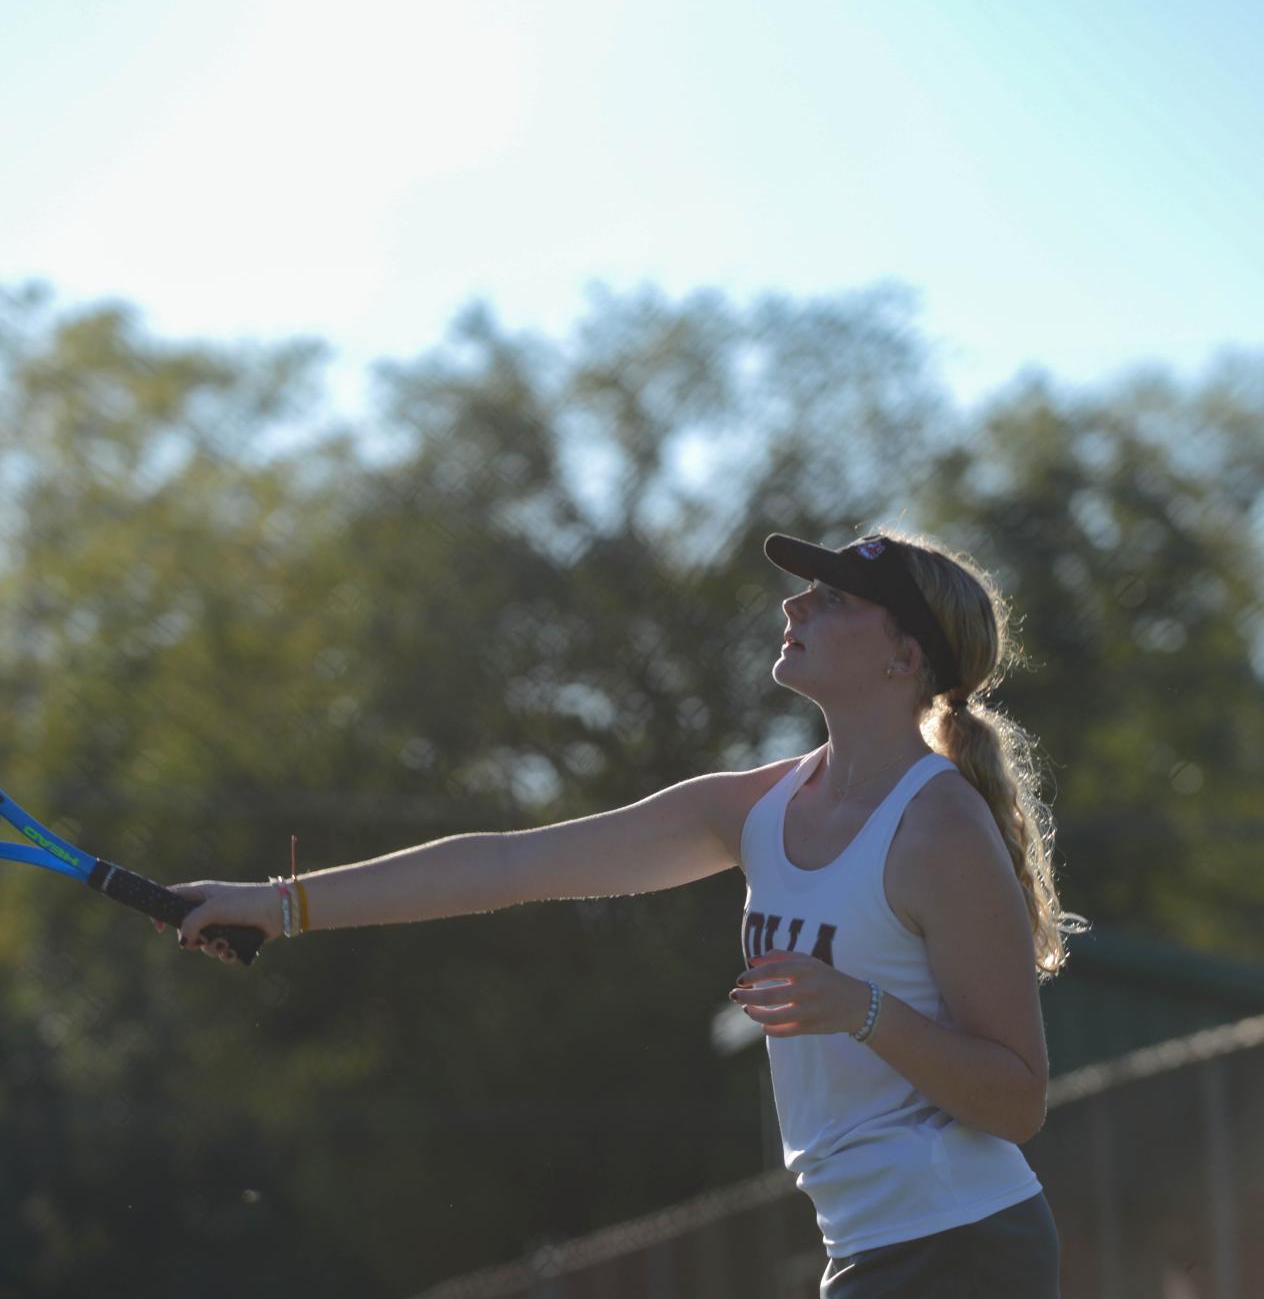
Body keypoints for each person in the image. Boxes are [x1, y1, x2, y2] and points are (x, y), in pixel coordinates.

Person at [161, 528, 1086, 1298]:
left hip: (962, 1247)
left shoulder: (939, 829)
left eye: (833, 599)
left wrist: (861, 1010)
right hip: (878, 1251)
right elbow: (514, 863)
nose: (793, 606)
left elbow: (1015, 1098)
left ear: (906, 655)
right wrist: (279, 907)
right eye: (804, 591)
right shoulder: (754, 807)